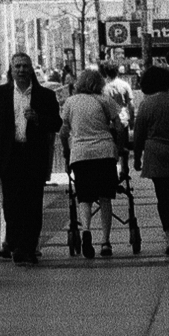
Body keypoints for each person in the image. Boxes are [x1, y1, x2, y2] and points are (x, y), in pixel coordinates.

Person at [0, 49, 63, 264]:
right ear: (11, 70)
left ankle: (28, 247)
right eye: (17, 66)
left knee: (32, 203)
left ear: (31, 70)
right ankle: (15, 243)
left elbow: (56, 123)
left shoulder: (45, 95)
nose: (21, 70)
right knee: (11, 204)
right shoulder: (1, 94)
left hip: (33, 156)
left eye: (25, 66)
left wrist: (38, 119)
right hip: (9, 156)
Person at [60, 65, 126, 257]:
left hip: (81, 154)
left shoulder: (70, 102)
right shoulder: (105, 100)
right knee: (105, 198)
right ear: (99, 83)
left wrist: (66, 151)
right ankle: (105, 241)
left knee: (84, 198)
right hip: (104, 153)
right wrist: (119, 147)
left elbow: (63, 131)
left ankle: (86, 231)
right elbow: (119, 127)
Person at [130, 63, 169, 254]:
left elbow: (139, 134)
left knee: (163, 197)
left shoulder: (146, 104)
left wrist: (137, 158)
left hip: (157, 158)